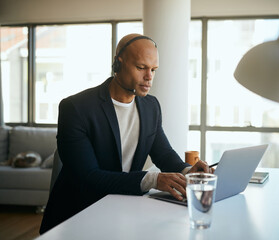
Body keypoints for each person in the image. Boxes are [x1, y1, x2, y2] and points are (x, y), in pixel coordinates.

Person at [39, 33, 211, 234]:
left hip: (123, 211)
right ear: (117, 65)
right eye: (141, 68)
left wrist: (189, 173)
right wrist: (153, 179)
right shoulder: (76, 108)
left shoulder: (151, 106)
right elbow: (88, 177)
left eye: (153, 70)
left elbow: (164, 155)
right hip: (77, 217)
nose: (149, 77)